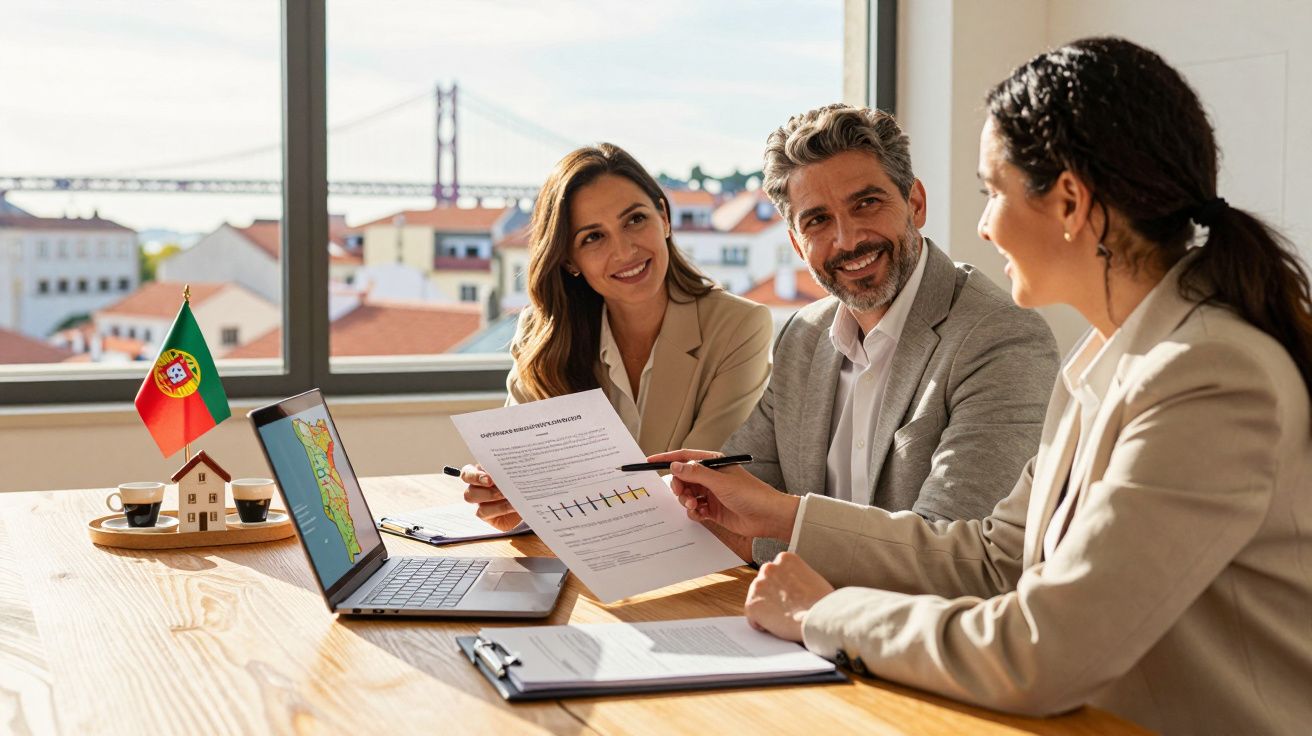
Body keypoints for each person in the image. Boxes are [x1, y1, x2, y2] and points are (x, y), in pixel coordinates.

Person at [661, 38, 1312, 734]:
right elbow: (992, 557)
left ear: (1068, 201)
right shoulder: (1106, 360)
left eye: (991, 191)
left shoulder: (1207, 376)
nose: (981, 224)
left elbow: (1045, 649)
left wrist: (821, 615)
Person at [685, 104, 1059, 562]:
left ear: (915, 203)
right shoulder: (802, 335)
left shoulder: (1003, 339)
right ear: (796, 243)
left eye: (866, 203)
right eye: (817, 220)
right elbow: (735, 504)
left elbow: (953, 553)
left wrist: (778, 527)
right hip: (789, 618)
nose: (847, 240)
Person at [462, 143, 773, 531]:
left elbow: (701, 485)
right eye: (593, 237)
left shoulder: (739, 326)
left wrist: (552, 497)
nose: (624, 250)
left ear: (664, 217)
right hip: (576, 563)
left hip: (694, 560)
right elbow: (523, 474)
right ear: (569, 260)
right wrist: (502, 493)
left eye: (635, 220)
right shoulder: (541, 335)